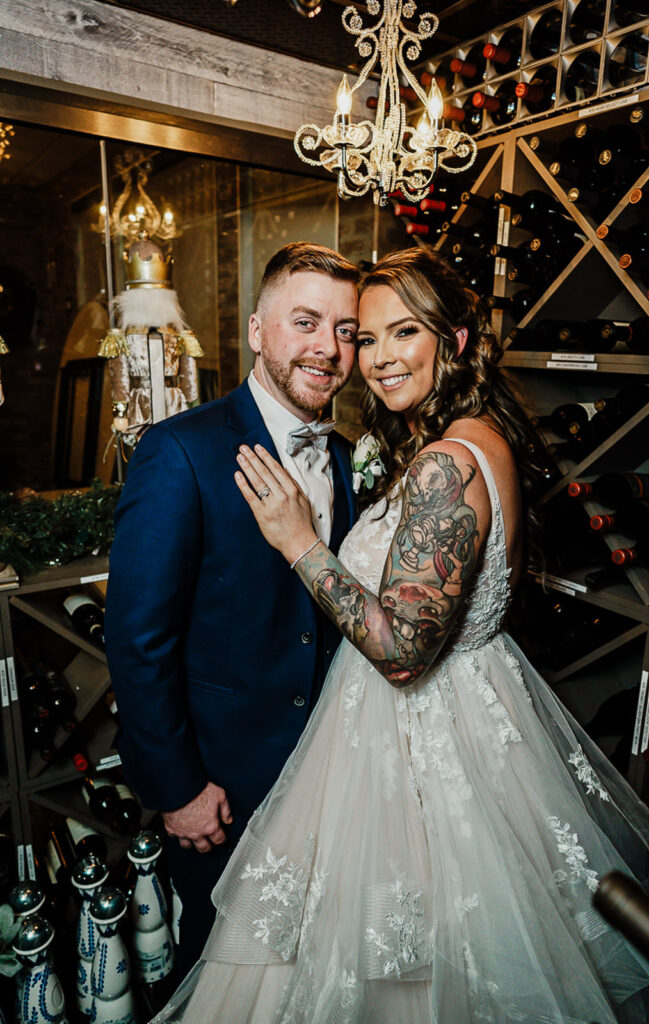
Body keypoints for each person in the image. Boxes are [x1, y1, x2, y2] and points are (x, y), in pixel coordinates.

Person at [152, 249, 649, 1023]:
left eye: (404, 332)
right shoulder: (473, 437)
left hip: (420, 747)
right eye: (365, 339)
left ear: (455, 340)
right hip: (452, 722)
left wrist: (298, 539)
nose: (376, 358)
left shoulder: (445, 463)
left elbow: (402, 657)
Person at [104, 241, 360, 972]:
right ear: (256, 331)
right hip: (224, 790)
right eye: (305, 322)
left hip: (332, 776)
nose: (327, 348)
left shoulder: (344, 455)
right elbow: (137, 638)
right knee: (224, 968)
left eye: (345, 330)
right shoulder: (179, 451)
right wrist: (177, 787)